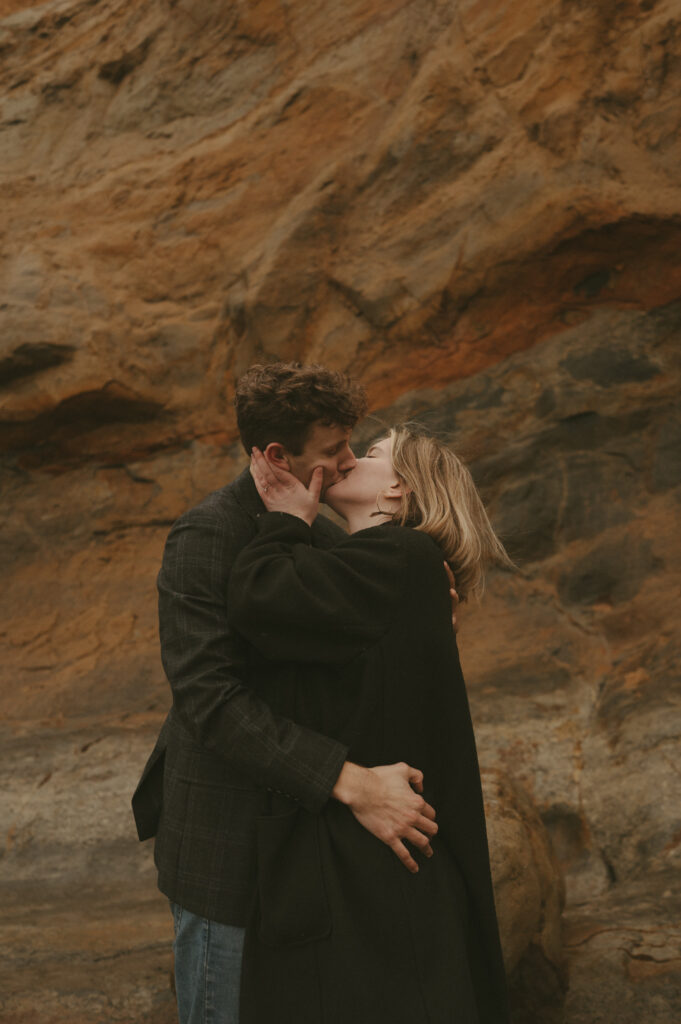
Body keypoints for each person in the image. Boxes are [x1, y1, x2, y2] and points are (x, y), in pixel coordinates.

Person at [132, 364, 449, 1024]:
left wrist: (422, 613)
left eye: (351, 447)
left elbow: (347, 675)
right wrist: (349, 781)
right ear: (277, 456)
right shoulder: (205, 535)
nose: (347, 462)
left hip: (306, 850)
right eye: (332, 452)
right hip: (225, 849)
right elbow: (209, 700)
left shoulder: (329, 535)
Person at [227, 424, 514, 1023]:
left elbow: (259, 599)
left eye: (376, 454)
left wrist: (285, 519)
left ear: (399, 490)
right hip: (376, 869)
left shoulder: (402, 556)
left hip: (377, 881)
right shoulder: (395, 570)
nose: (352, 459)